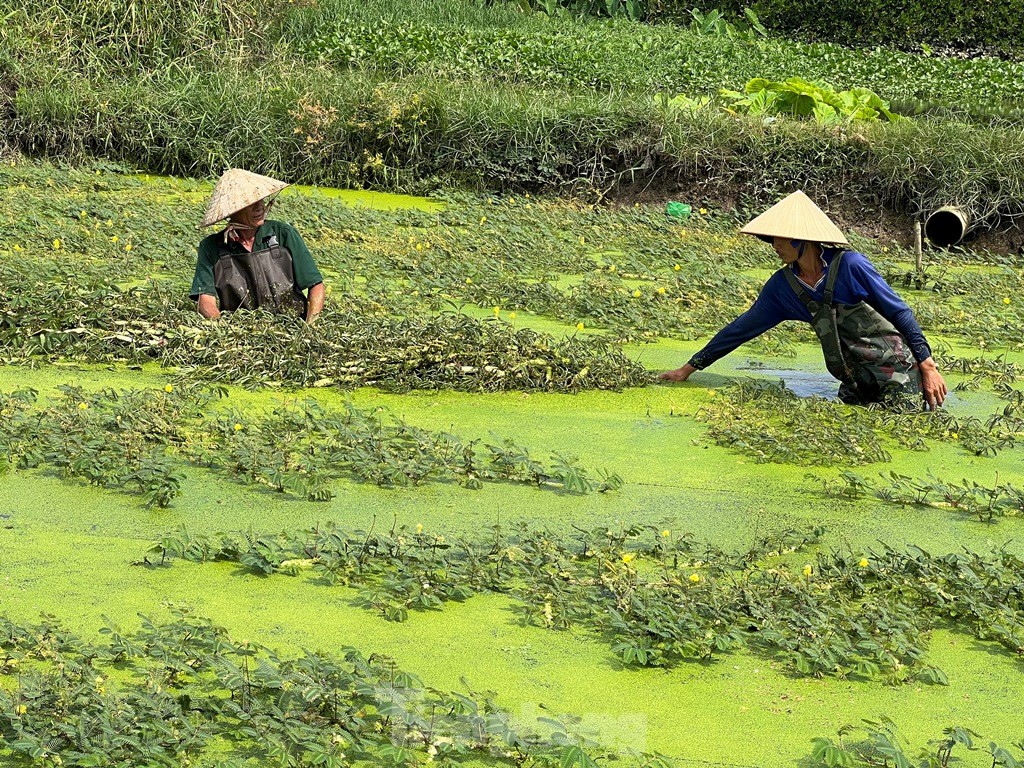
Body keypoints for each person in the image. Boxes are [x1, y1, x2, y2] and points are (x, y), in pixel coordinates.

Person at [660, 191, 947, 409]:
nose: (775, 246)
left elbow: (900, 313)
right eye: (772, 239)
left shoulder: (852, 267)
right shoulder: (783, 288)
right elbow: (742, 329)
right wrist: (689, 367)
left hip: (897, 375)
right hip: (853, 382)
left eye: (781, 239)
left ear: (803, 240)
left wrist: (928, 366)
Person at [190, 168, 325, 323]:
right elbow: (205, 301)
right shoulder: (211, 247)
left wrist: (309, 327)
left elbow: (316, 285)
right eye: (250, 203)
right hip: (241, 330)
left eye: (260, 199)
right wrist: (225, 329)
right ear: (232, 210)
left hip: (292, 325)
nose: (259, 206)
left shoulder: (283, 234)